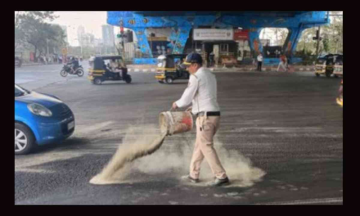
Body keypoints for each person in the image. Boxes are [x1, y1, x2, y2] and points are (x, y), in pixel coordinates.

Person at [171, 52, 230, 187]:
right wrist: (194, 107)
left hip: (205, 118)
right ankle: (194, 174)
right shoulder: (210, 75)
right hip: (214, 115)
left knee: (206, 146)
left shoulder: (196, 77)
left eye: (188, 66)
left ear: (195, 65)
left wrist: (176, 104)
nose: (187, 69)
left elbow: (186, 97)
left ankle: (221, 176)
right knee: (200, 146)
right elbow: (206, 95)